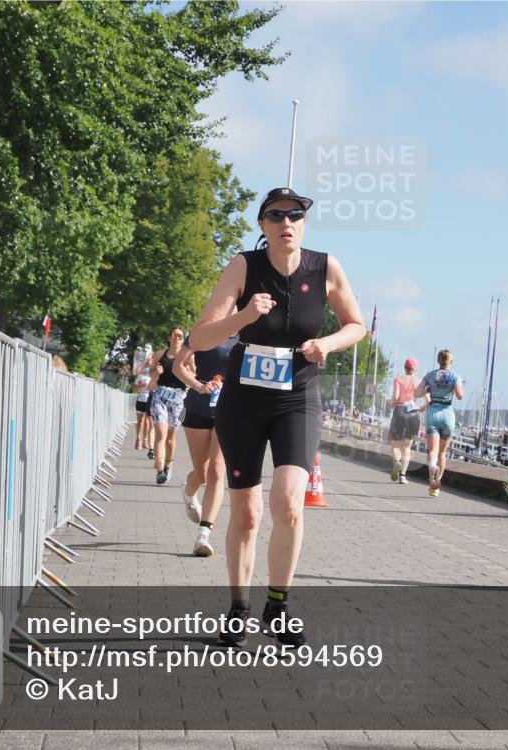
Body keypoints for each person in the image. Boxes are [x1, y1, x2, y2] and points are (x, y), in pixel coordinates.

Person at [189, 187, 364, 648]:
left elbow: (356, 325)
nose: (287, 222)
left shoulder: (325, 267)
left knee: (288, 501)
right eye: (276, 215)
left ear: (304, 223)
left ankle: (278, 605)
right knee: (246, 514)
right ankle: (238, 608)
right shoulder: (243, 266)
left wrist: (326, 344)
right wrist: (244, 315)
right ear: (263, 225)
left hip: (298, 397)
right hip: (243, 400)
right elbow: (202, 337)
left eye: (296, 215)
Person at [171, 333, 238, 556]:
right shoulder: (204, 330)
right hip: (199, 407)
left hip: (230, 409)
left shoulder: (248, 332)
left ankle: (203, 535)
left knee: (218, 471)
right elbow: (178, 367)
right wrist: (199, 386)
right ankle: (189, 492)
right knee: (203, 474)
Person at [415, 350, 464, 497]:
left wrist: (428, 390)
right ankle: (436, 487)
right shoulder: (455, 376)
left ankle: (432, 469)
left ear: (438, 361)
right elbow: (460, 395)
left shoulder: (430, 375)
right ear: (451, 362)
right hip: (447, 414)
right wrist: (453, 389)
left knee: (432, 451)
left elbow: (416, 393)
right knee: (442, 453)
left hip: (433, 413)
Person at [149, 327, 188, 485]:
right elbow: (150, 374)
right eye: (175, 336)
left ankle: (168, 464)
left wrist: (186, 372)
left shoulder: (187, 356)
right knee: (160, 432)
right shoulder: (160, 354)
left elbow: (194, 375)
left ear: (183, 339)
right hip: (160, 396)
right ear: (169, 338)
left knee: (171, 439)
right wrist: (156, 372)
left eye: (180, 336)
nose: (177, 339)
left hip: (178, 400)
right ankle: (159, 470)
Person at [388, 358, 423, 484]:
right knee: (407, 447)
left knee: (396, 444)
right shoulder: (419, 382)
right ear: (415, 368)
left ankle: (397, 462)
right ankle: (403, 476)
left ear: (405, 367)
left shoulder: (398, 379)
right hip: (413, 412)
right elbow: (427, 399)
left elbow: (396, 396)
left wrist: (391, 403)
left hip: (399, 410)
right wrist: (421, 408)